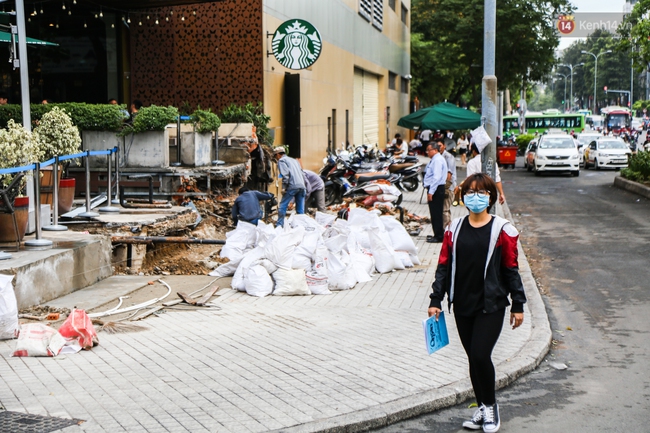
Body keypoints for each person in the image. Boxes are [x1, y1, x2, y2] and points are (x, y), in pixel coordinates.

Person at [428, 173, 526, 433]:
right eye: (470, 192)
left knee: (482, 355)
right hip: (462, 304)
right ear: (463, 197)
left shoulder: (502, 230)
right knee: (473, 358)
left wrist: (518, 303)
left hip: (491, 304)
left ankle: (491, 407)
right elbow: (443, 267)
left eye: (481, 192)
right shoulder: (454, 229)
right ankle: (481, 408)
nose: (475, 197)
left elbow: (511, 268)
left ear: (491, 197)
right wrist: (436, 299)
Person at [273, 146, 306, 227]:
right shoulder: (294, 161)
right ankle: (301, 226)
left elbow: (285, 174)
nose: (275, 158)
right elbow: (302, 173)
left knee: (283, 205)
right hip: (302, 186)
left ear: (278, 154)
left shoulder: (281, 160)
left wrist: (284, 187)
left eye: (275, 156)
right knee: (300, 209)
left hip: (292, 186)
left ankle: (279, 225)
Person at [422, 143, 447, 243]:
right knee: (435, 212)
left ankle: (439, 236)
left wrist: (431, 192)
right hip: (435, 188)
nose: (428, 152)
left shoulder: (437, 160)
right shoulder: (435, 159)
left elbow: (436, 178)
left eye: (429, 150)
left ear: (435, 150)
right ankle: (437, 233)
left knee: (436, 213)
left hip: (436, 189)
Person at [438, 139, 456, 228]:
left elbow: (449, 174)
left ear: (444, 146)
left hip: (448, 187)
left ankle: (446, 231)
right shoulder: (438, 156)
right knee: (445, 210)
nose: (438, 148)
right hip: (441, 187)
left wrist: (445, 188)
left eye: (440, 145)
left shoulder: (448, 157)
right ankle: (447, 230)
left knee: (445, 210)